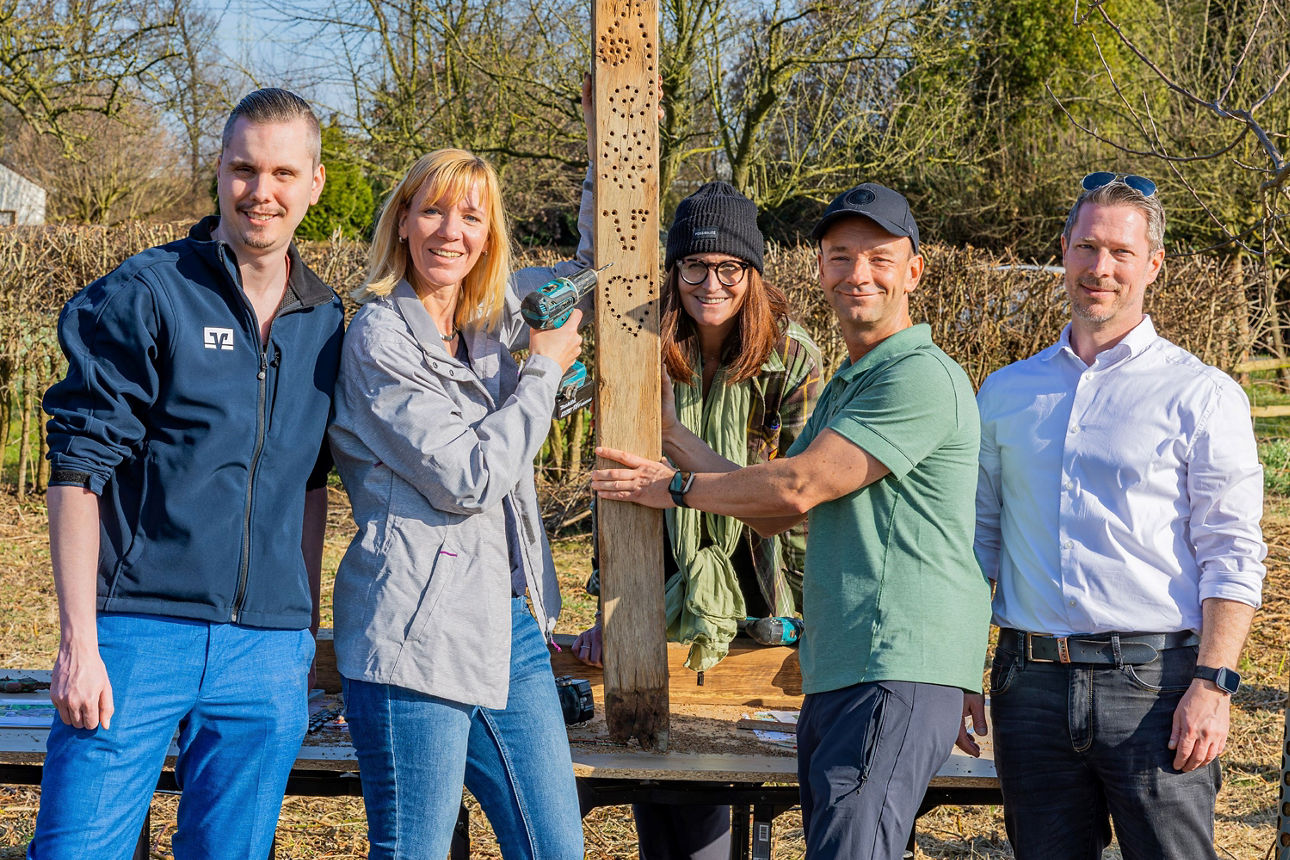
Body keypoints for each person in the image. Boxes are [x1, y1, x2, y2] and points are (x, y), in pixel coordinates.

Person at [591, 182, 992, 859]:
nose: (857, 274)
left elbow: (800, 485)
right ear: (818, 269)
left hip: (890, 668)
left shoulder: (917, 377)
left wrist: (677, 487)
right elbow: (773, 511)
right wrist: (672, 436)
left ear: (914, 271)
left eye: (878, 259)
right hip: (842, 668)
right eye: (840, 257)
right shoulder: (851, 381)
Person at [32, 88, 342, 859]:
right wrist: (79, 642)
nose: (259, 192)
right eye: (243, 169)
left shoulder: (330, 322)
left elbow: (311, 486)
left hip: (266, 652)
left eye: (280, 172)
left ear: (315, 182)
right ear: (218, 170)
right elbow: (77, 471)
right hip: (137, 633)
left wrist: (300, 636)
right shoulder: (147, 293)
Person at [974, 172, 1266, 859]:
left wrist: (1215, 684)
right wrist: (962, 670)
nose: (1099, 268)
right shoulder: (1007, 393)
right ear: (1064, 253)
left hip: (1157, 689)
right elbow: (979, 542)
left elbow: (1232, 551)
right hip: (1030, 684)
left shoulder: (1202, 395)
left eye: (1121, 253)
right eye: (1086, 247)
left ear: (1153, 265)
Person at [327, 147, 591, 860]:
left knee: (554, 849)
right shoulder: (378, 338)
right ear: (404, 221)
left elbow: (596, 265)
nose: (452, 231)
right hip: (416, 632)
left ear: (490, 234)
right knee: (415, 849)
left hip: (507, 623)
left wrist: (606, 145)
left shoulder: (495, 316)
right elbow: (470, 475)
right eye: (434, 210)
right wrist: (544, 370)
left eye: (471, 216)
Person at [573, 181, 822, 860]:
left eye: (729, 268)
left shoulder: (791, 357)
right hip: (661, 578)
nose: (710, 283)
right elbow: (619, 480)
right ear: (674, 269)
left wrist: (676, 444)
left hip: (757, 589)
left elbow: (783, 507)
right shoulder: (641, 344)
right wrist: (613, 606)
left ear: (752, 273)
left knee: (722, 775)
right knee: (654, 766)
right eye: (694, 266)